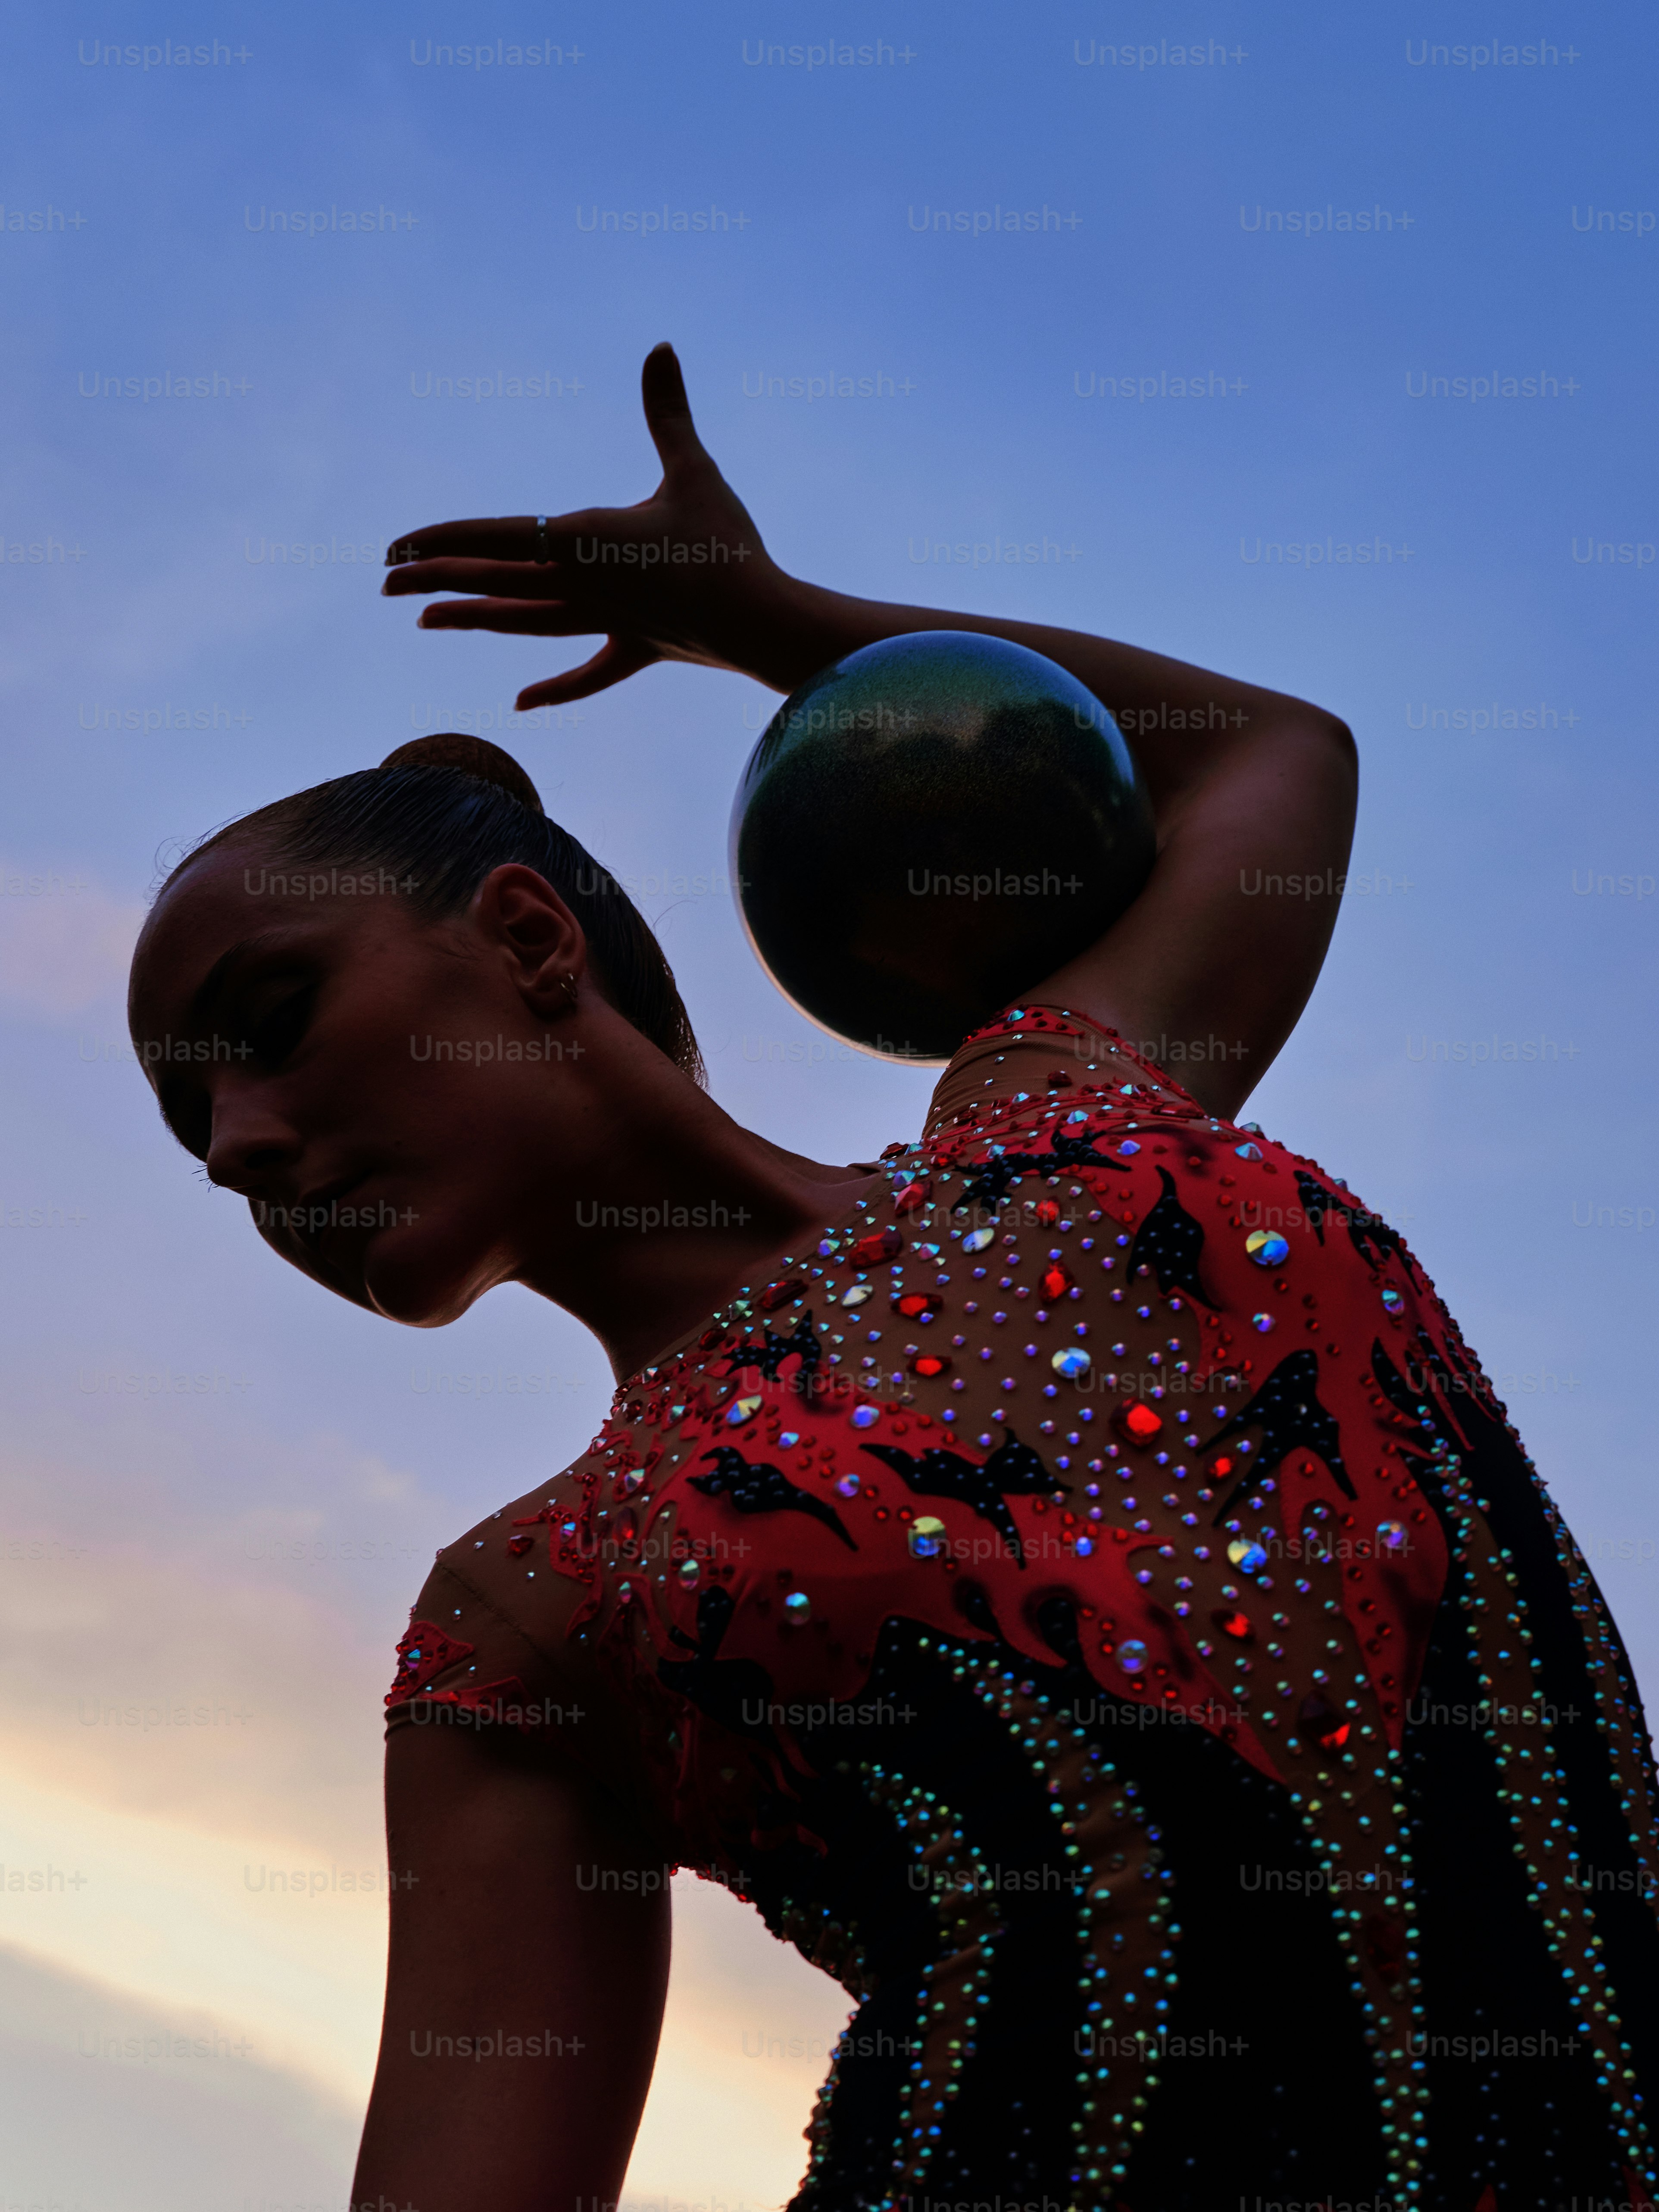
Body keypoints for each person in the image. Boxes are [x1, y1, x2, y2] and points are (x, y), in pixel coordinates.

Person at [126, 346, 1659, 2212]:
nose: (239, 1148)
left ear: (524, 937)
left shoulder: (1071, 1110)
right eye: (194, 1132)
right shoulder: (517, 1629)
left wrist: (783, 630)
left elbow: (1274, 755)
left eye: (269, 1025)